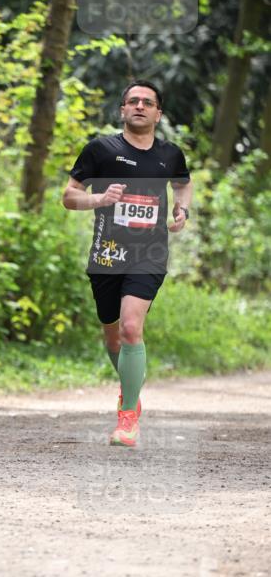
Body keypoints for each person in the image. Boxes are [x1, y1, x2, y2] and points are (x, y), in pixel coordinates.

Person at [62, 80, 193, 448]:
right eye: (132, 101)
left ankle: (128, 413)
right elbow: (69, 197)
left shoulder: (170, 155)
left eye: (147, 102)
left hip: (149, 254)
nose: (139, 106)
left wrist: (183, 209)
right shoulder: (101, 150)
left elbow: (182, 184)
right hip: (106, 254)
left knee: (132, 328)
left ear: (158, 113)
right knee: (113, 330)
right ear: (122, 109)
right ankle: (131, 387)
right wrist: (100, 198)